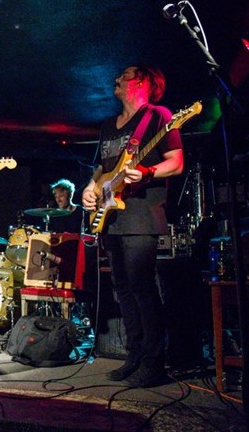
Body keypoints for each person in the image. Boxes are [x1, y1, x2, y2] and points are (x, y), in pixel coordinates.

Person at [81, 64, 183, 388]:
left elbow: (177, 162)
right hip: (112, 216)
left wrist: (149, 173)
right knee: (122, 289)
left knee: (142, 287)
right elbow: (102, 167)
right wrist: (89, 188)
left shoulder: (158, 115)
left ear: (142, 82)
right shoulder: (109, 125)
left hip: (141, 215)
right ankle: (135, 355)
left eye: (123, 75)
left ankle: (155, 363)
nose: (116, 79)